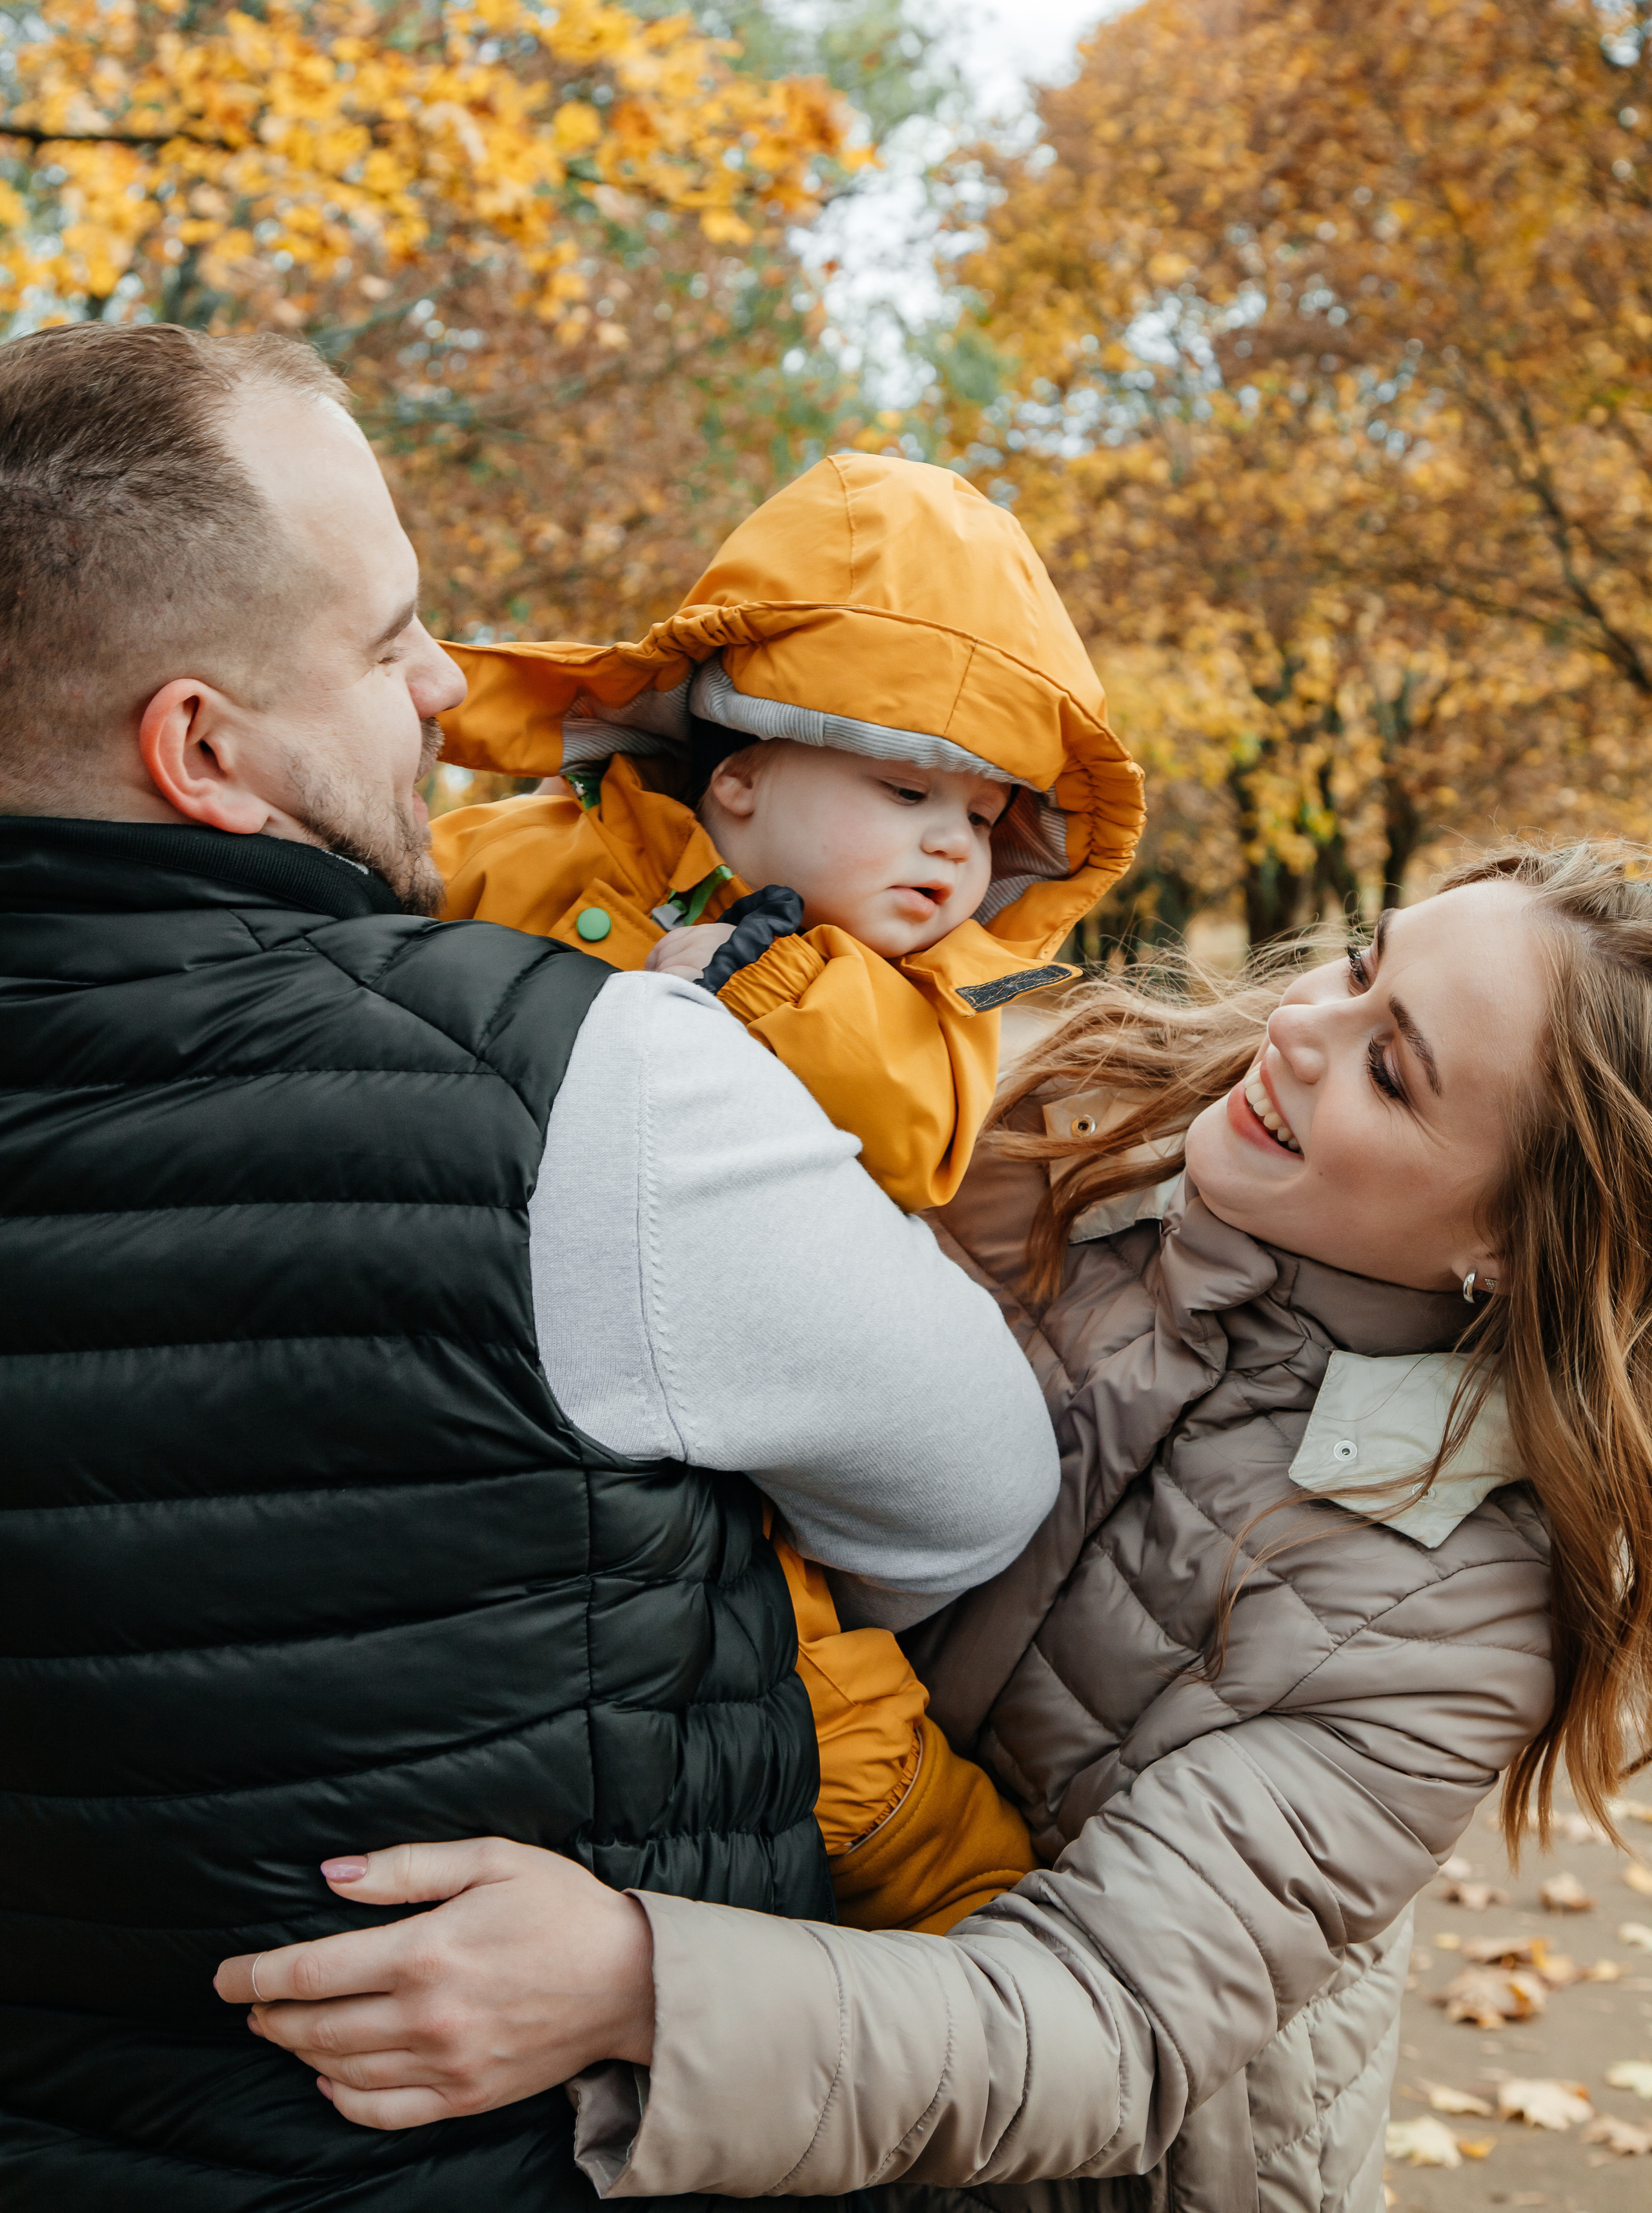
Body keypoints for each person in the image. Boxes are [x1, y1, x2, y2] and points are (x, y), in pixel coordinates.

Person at [0, 320, 1061, 2211]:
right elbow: (969, 1493)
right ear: (205, 749)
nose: (445, 685)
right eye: (386, 639)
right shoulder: (588, 1079)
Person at [232, 842, 1652, 2208]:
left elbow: (1107, 2020)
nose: (1297, 1027)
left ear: (1511, 1240)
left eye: (1390, 1069)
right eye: (1356, 966)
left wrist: (633, 1985)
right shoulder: (1062, 1148)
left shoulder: (1455, 1608)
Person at [427, 454, 1147, 1934]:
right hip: (484, 1320)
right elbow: (384, 921)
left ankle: (976, 1923)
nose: (950, 847)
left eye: (983, 817)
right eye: (904, 789)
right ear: (741, 773)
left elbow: (918, 1131)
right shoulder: (531, 854)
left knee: (814, 1692)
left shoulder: (906, 996)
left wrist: (768, 979)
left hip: (741, 1425)